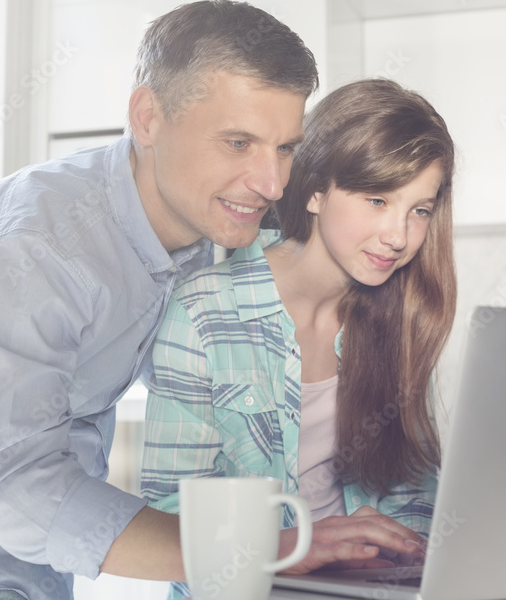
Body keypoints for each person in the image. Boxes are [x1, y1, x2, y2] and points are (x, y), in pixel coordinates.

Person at [0, 0, 412, 600]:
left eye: (285, 148)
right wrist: (267, 546)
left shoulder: (204, 228)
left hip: (19, 563)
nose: (272, 183)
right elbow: (19, 488)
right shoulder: (40, 246)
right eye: (238, 143)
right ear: (148, 117)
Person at [141, 78, 458, 598]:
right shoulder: (202, 312)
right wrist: (292, 545)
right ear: (315, 191)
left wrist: (400, 558)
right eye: (377, 200)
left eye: (418, 210)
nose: (399, 236)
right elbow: (167, 515)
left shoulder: (402, 315)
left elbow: (413, 491)